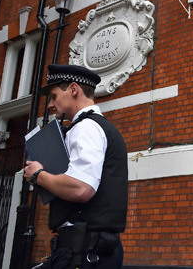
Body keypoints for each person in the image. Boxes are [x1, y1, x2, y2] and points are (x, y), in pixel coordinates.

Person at [23, 64, 128, 268]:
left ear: (73, 89)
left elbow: (81, 188)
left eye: (53, 96)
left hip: (83, 251)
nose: (51, 105)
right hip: (89, 249)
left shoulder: (86, 127)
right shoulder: (94, 126)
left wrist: (38, 175)